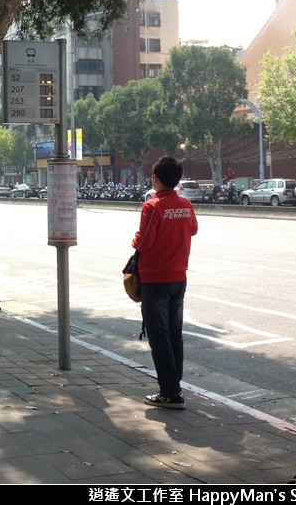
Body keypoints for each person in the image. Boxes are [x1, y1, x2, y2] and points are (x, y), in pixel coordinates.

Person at [132, 156, 198, 410]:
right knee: (173, 333)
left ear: (156, 179)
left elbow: (144, 241)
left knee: (158, 335)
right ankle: (174, 385)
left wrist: (134, 241)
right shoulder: (186, 205)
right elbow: (192, 229)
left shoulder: (152, 206)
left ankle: (170, 392)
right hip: (179, 276)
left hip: (155, 278)